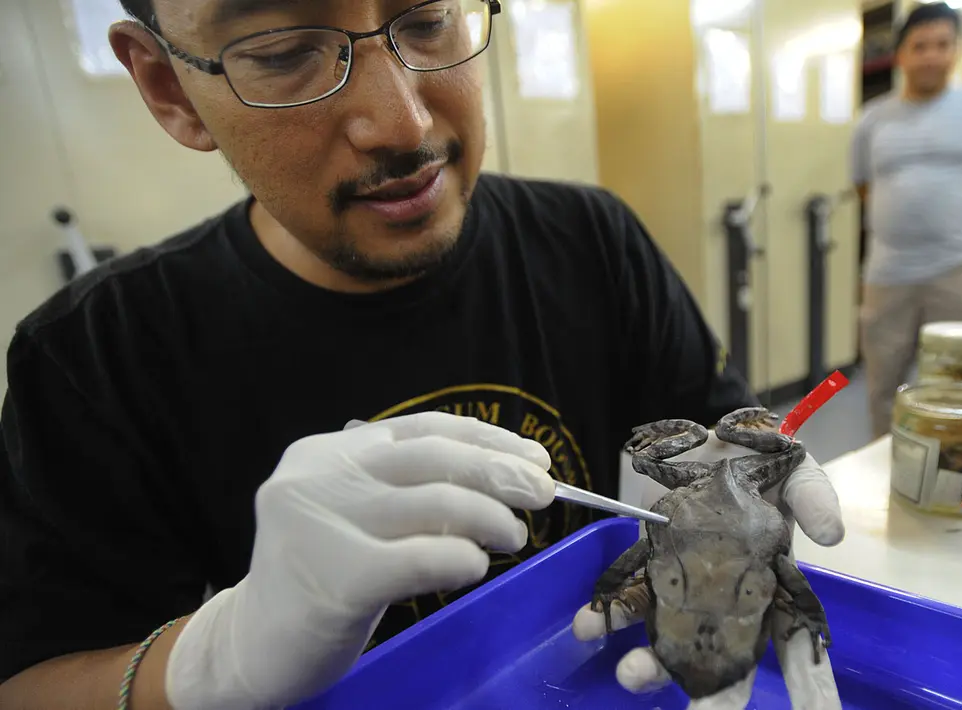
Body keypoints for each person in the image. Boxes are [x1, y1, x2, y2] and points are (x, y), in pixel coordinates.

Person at [0, 1, 846, 708]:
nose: (401, 122)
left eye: (431, 17)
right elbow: (32, 680)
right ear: (167, 88)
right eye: (287, 52)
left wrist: (742, 480)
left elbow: (714, 442)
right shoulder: (94, 355)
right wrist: (213, 659)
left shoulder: (590, 241)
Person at [850, 1, 962, 438]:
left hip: (960, 267)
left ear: (957, 50)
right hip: (888, 274)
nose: (931, 55)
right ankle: (887, 471)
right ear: (901, 54)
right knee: (883, 386)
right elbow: (864, 186)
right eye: (920, 45)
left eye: (942, 45)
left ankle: (961, 470)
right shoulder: (871, 120)